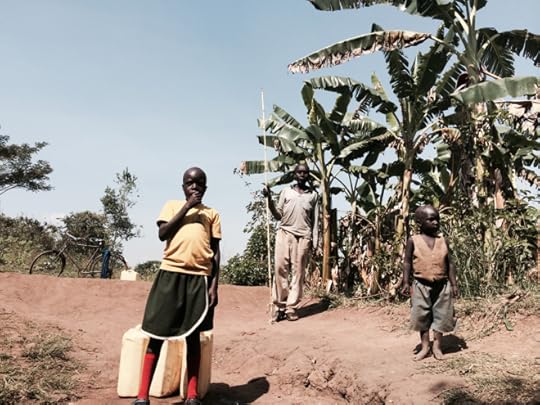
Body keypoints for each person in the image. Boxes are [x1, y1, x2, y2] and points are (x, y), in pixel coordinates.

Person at [132, 167, 221, 405]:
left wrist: (214, 286)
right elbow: (163, 233)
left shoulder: (212, 214)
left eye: (200, 183)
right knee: (156, 334)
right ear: (183, 186)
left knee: (193, 337)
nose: (195, 187)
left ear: (205, 187)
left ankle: (192, 396)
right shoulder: (171, 206)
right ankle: (142, 395)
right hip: (170, 275)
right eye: (190, 183)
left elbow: (216, 252)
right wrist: (187, 207)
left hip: (199, 278)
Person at [263, 163, 319, 322]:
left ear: (308, 176)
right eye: (299, 172)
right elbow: (278, 215)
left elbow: (315, 222)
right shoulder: (286, 192)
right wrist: (268, 199)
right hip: (284, 233)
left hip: (303, 237)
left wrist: (315, 242)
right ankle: (280, 306)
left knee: (298, 273)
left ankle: (291, 307)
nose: (302, 175)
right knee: (280, 269)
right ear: (294, 175)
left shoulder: (313, 196)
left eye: (305, 172)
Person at [401, 205, 458, 361]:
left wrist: (453, 284)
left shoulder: (443, 241)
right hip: (420, 285)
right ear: (419, 222)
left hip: (442, 286)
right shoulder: (413, 240)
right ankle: (425, 347)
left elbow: (450, 263)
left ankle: (437, 347)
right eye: (431, 219)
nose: (435, 222)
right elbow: (407, 263)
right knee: (422, 316)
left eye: (437, 219)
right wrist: (406, 282)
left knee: (441, 316)